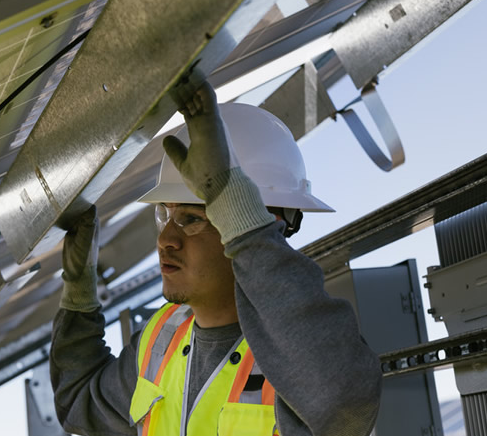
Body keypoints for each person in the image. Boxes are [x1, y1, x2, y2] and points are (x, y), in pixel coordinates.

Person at [50, 81, 382, 435]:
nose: (166, 240)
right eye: (164, 215)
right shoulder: (163, 337)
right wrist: (79, 298)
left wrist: (233, 202)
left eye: (191, 219)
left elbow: (345, 406)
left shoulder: (295, 360)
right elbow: (79, 405)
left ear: (255, 223)